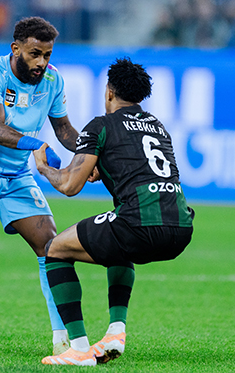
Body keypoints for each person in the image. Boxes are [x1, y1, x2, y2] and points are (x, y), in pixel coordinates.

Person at [36, 57, 194, 366]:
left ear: (109, 91)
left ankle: (79, 349)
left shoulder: (101, 126)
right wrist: (102, 167)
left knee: (55, 249)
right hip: (180, 227)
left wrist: (44, 169)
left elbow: (69, 185)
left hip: (140, 225)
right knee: (118, 241)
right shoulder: (158, 127)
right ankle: (115, 332)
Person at [0, 16, 77, 362]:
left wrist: (91, 153)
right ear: (16, 49)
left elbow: (64, 130)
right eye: (35, 54)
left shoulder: (52, 80)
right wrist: (37, 144)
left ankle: (62, 340)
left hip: (16, 174)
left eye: (47, 55)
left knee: (52, 245)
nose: (42, 63)